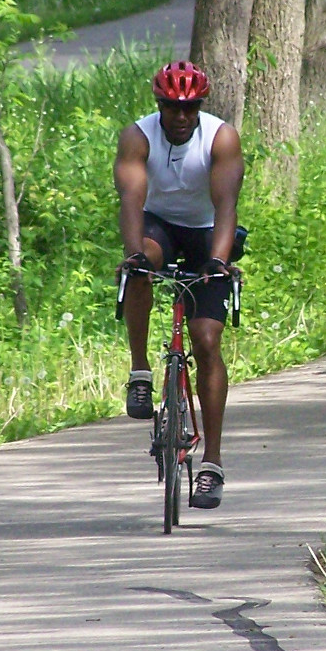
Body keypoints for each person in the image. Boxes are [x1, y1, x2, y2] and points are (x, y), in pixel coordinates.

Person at [114, 60, 245, 510]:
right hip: (159, 227)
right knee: (140, 266)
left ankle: (212, 464)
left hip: (208, 232)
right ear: (159, 105)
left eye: (191, 107)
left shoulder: (221, 137)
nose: (182, 116)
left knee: (206, 340)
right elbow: (131, 199)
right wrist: (134, 253)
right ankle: (140, 373)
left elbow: (226, 205)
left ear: (201, 107)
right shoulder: (138, 136)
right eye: (172, 107)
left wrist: (218, 262)